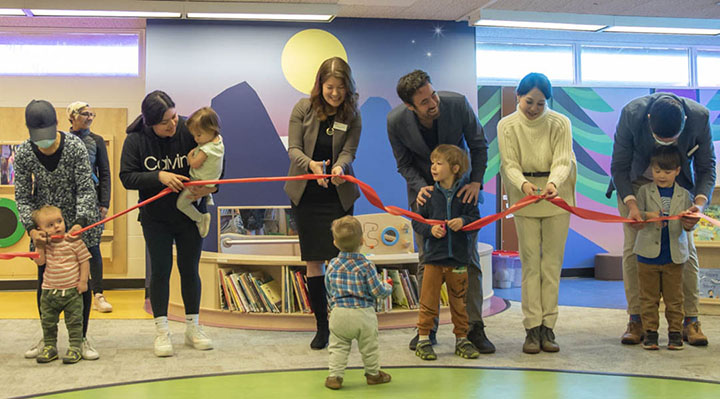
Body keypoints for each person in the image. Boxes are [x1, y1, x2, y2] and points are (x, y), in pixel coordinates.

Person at [387, 69, 493, 353]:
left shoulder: (457, 104)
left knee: (468, 261)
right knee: (428, 262)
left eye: (432, 94)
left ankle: (474, 328)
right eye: (424, 101)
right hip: (424, 198)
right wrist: (422, 187)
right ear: (410, 106)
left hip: (462, 192)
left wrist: (475, 182)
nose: (433, 103)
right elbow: (404, 163)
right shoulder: (396, 121)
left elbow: (479, 145)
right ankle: (427, 329)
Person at [608, 93, 715, 346]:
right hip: (635, 184)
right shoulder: (631, 114)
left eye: (673, 140)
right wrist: (632, 204)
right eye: (659, 139)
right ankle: (637, 320)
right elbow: (619, 166)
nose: (666, 143)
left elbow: (706, 166)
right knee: (634, 250)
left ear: (685, 121)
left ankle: (690, 321)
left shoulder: (699, 117)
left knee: (685, 250)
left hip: (679, 188)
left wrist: (698, 206)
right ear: (648, 120)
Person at [120, 90, 217, 357]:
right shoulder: (136, 140)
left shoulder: (189, 129)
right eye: (165, 122)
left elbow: (218, 160)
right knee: (161, 271)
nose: (172, 124)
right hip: (155, 218)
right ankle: (162, 330)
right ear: (149, 122)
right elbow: (127, 177)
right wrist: (159, 176)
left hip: (190, 216)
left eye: (174, 117)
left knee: (189, 269)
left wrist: (209, 188)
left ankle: (193, 327)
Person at [15, 99, 102, 361]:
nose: (44, 142)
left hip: (77, 225)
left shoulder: (75, 146)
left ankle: (81, 337)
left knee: (79, 285)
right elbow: (22, 196)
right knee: (46, 283)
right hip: (44, 230)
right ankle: (48, 337)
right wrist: (31, 228)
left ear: (57, 124)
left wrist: (79, 223)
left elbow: (87, 189)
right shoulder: (23, 153)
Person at [284, 57, 361, 350]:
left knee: (340, 262)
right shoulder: (302, 108)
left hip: (338, 196)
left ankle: (343, 325)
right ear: (320, 85)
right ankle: (322, 327)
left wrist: (339, 168)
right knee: (314, 262)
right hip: (307, 195)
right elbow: (293, 149)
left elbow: (349, 151)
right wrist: (312, 166)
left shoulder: (353, 113)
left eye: (340, 88)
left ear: (348, 87)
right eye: (330, 87)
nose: (335, 94)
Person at [497, 72, 576, 354]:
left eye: (540, 104)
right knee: (531, 265)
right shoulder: (506, 125)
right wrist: (524, 185)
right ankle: (531, 328)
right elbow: (509, 164)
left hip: (557, 196)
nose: (533, 108)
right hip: (524, 197)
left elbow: (563, 160)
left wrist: (553, 183)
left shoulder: (560, 123)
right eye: (529, 101)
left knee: (552, 266)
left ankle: (548, 328)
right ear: (519, 96)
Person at [411, 144, 482, 361]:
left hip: (458, 260)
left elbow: (476, 220)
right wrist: (430, 230)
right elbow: (418, 222)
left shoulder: (466, 196)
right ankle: (423, 339)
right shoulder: (428, 196)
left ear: (455, 168)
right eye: (432, 163)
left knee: (459, 302)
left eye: (439, 163)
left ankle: (462, 338)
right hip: (433, 259)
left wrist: (463, 221)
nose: (433, 167)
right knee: (428, 301)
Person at [633, 146, 693, 350]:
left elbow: (689, 224)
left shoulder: (685, 195)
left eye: (667, 172)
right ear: (651, 170)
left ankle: (675, 333)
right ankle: (650, 333)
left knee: (675, 299)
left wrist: (688, 221)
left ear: (677, 171)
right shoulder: (643, 191)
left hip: (674, 256)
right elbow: (636, 218)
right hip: (647, 256)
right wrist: (648, 217)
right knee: (648, 299)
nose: (661, 176)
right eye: (657, 171)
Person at [324, 216, 393, 390]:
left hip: (339, 312)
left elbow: (328, 287)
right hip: (363, 313)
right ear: (362, 241)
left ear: (335, 242)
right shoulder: (366, 265)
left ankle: (335, 376)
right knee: (369, 347)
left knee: (338, 347)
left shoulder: (332, 264)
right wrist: (388, 287)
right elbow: (378, 292)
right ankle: (373, 374)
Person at [67, 101, 113, 313]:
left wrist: (104, 203)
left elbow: (104, 172)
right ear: (73, 117)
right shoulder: (64, 140)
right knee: (67, 248)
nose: (89, 118)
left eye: (91, 114)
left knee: (93, 248)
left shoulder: (96, 141)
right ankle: (70, 292)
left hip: (92, 201)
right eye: (84, 114)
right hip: (68, 203)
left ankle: (99, 295)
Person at [31, 205, 91, 364]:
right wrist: (40, 245)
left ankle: (75, 346)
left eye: (59, 221)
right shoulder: (46, 244)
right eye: (50, 225)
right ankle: (50, 346)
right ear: (40, 229)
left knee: (74, 322)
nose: (57, 226)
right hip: (49, 292)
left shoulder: (74, 241)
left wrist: (83, 281)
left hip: (72, 292)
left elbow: (84, 261)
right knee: (48, 322)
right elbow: (40, 262)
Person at [176, 107, 225, 238]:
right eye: (194, 135)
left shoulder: (207, 149)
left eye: (199, 135)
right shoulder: (218, 141)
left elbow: (194, 164)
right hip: (210, 180)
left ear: (212, 130)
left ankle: (200, 218)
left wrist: (190, 156)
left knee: (181, 204)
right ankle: (207, 198)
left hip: (198, 182)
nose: (196, 139)